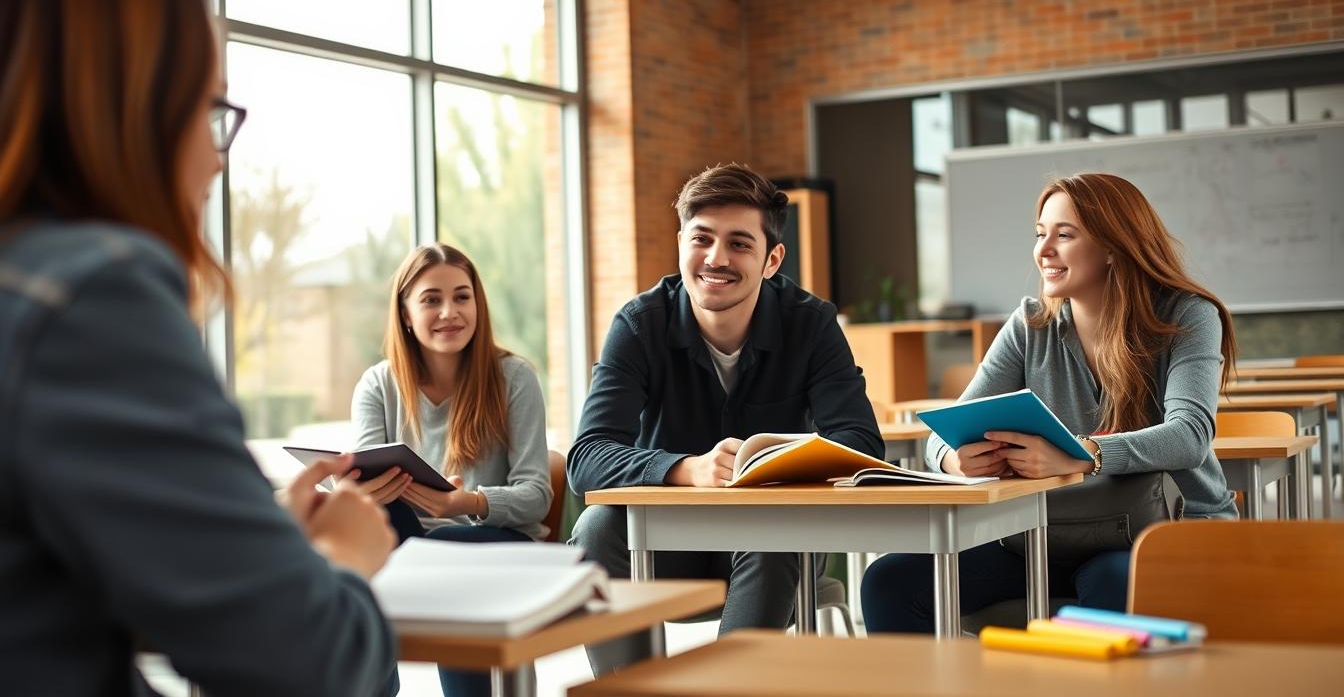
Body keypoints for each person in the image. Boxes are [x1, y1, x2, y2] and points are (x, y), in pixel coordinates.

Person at [0, 0, 399, 694]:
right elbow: (309, 663)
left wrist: (245, 540)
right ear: (132, 105)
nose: (218, 156)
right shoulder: (92, 299)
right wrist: (341, 557)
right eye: (208, 107)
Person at [861, 172, 1238, 634]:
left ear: (1113, 247)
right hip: (1053, 532)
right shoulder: (1030, 325)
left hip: (1164, 530)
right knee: (890, 581)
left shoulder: (1187, 314)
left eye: (1064, 235)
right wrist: (955, 460)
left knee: (1115, 580)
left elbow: (1189, 436)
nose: (1044, 250)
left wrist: (1082, 455)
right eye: (1040, 234)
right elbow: (942, 435)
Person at [567, 163, 883, 674]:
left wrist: (775, 466)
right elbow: (587, 458)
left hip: (774, 548)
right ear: (681, 244)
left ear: (771, 259)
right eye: (702, 239)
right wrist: (685, 469)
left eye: (739, 243)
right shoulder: (639, 324)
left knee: (774, 531)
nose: (716, 258)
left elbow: (861, 442)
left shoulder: (812, 324)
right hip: (666, 546)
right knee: (596, 526)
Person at [349, 242, 552, 696]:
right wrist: (357, 493)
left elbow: (537, 496)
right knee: (376, 536)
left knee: (433, 560)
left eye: (462, 297)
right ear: (405, 313)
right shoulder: (378, 385)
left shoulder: (514, 378)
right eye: (431, 300)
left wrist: (468, 502)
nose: (449, 312)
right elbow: (363, 485)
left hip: (494, 541)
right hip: (406, 545)